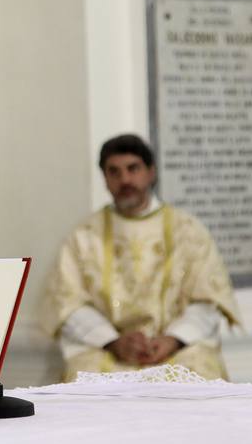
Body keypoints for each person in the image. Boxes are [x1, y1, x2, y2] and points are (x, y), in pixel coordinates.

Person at [43, 134, 239, 380]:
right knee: (83, 376)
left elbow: (207, 300)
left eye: (133, 169)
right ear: (105, 179)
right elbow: (69, 303)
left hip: (173, 349)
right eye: (114, 172)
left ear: (151, 172)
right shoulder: (85, 236)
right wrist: (113, 341)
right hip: (111, 350)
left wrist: (173, 339)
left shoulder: (187, 230)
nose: (125, 180)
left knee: (200, 371)